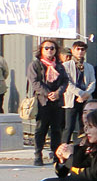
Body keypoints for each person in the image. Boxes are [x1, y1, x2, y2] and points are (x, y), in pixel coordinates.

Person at [27, 38, 70, 166]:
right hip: (42, 102)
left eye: (52, 48)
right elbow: (34, 82)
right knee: (41, 129)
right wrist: (48, 93)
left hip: (57, 102)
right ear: (41, 50)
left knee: (56, 130)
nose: (49, 50)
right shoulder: (35, 65)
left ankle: (56, 155)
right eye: (46, 48)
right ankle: (38, 154)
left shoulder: (59, 65)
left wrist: (58, 93)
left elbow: (65, 81)